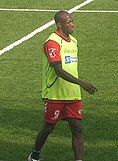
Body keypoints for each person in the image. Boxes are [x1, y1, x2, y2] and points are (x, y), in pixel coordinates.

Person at [28, 10, 97, 161]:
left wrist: (78, 86)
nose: (72, 24)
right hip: (55, 94)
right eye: (68, 22)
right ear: (59, 25)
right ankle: (34, 155)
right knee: (49, 127)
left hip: (73, 94)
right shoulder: (52, 42)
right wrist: (82, 83)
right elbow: (58, 70)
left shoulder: (73, 40)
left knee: (77, 129)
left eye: (72, 21)